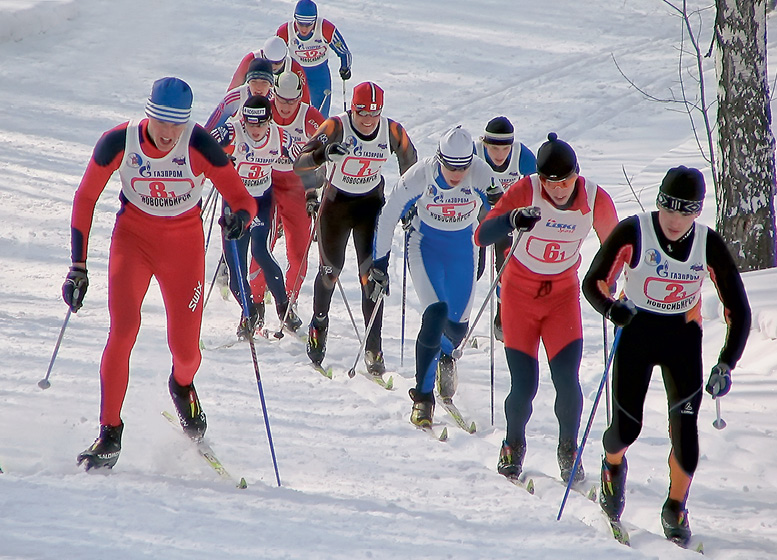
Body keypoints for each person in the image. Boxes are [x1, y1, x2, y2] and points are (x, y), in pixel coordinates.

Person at [64, 77, 257, 470]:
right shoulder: (119, 142)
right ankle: (109, 432)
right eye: (162, 122)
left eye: (178, 123)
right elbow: (85, 197)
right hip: (133, 241)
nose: (169, 133)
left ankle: (182, 385)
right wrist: (78, 267)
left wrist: (239, 219)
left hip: (183, 249)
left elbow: (243, 199)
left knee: (186, 351)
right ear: (148, 114)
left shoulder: (199, 144)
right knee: (122, 332)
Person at [581, 166, 751, 545]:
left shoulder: (708, 244)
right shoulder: (634, 231)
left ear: (697, 212)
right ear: (658, 205)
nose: (675, 221)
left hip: (682, 338)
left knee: (687, 442)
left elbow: (738, 309)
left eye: (686, 212)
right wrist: (612, 309)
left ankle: (675, 507)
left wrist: (727, 361)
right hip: (637, 332)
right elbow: (592, 282)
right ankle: (612, 469)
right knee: (627, 429)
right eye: (669, 210)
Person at [474, 132, 618, 484]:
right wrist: (511, 221)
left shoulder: (595, 199)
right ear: (540, 178)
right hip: (519, 298)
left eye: (565, 181)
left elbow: (617, 248)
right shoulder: (526, 190)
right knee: (524, 386)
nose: (557, 189)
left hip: (561, 299)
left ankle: (568, 450)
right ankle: (512, 445)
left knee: (567, 381)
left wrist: (610, 285)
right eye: (550, 182)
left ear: (577, 175)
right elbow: (482, 234)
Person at [370, 126, 501, 425]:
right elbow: (389, 214)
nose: (457, 174)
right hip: (425, 246)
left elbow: (503, 208)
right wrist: (380, 263)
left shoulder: (480, 172)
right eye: (450, 166)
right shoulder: (422, 174)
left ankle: (445, 355)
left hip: (463, 250)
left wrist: (503, 206)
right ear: (439, 159)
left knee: (456, 329)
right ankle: (423, 396)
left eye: (463, 167)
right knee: (435, 313)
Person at [293, 81, 417, 373]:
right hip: (335, 206)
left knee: (371, 279)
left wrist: (408, 205)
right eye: (362, 113)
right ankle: (319, 325)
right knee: (329, 273)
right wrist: (323, 158)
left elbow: (410, 165)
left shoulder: (392, 131)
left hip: (369, 208)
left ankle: (374, 348)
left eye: (374, 114)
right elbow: (300, 163)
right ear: (352, 109)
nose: (368, 120)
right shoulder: (336, 126)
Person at [211, 95, 303, 337]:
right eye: (250, 124)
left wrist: (321, 167)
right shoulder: (233, 131)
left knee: (261, 252)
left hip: (262, 202)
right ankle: (250, 313)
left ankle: (285, 309)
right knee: (235, 275)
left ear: (269, 121)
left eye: (260, 125)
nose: (255, 130)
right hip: (235, 206)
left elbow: (306, 157)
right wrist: (217, 154)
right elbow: (204, 147)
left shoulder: (280, 136)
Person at [244, 72, 325, 326]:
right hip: (265, 183)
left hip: (297, 186)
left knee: (299, 248)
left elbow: (322, 155)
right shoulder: (263, 111)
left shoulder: (310, 118)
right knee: (260, 243)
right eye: (280, 99)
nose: (285, 106)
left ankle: (288, 301)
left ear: (300, 98)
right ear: (273, 94)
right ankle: (256, 303)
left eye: (291, 101)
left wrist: (313, 192)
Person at [474, 116, 537, 341]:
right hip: (478, 216)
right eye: (493, 148)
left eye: (504, 149)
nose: (499, 155)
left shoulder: (521, 155)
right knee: (475, 270)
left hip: (506, 218)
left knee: (506, 266)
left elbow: (539, 184)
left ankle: (502, 318)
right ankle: (457, 319)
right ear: (485, 144)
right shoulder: (474, 153)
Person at [276, 0, 352, 117]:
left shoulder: (325, 28)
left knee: (320, 115)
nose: (304, 29)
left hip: (320, 76)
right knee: (296, 114)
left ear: (315, 21)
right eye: (300, 24)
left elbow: (344, 52)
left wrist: (345, 67)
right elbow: (274, 55)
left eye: (308, 24)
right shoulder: (285, 31)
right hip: (296, 75)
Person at [226, 36, 312, 105]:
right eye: (269, 63)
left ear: (284, 58)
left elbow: (304, 99)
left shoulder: (295, 67)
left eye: (277, 63)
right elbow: (233, 88)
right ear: (264, 55)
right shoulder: (250, 60)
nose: (273, 67)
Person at [204, 58, 275, 132]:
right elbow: (209, 131)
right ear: (248, 82)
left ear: (271, 85)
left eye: (264, 82)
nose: (258, 87)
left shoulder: (277, 101)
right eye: (254, 82)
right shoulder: (234, 98)